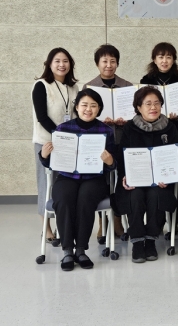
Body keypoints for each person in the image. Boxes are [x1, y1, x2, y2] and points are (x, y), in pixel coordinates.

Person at [39, 89, 116, 271]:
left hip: (94, 179)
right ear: (77, 107)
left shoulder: (106, 131)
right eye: (84, 105)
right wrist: (44, 155)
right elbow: (51, 163)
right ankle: (67, 250)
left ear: (99, 109)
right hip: (67, 177)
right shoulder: (63, 129)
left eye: (93, 106)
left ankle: (80, 250)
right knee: (64, 198)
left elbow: (113, 165)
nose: (88, 109)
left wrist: (110, 161)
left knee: (86, 198)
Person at [114, 86, 178, 263]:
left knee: (156, 195)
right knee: (134, 196)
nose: (153, 107)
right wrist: (125, 177)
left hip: (160, 181)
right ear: (138, 107)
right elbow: (122, 156)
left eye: (157, 103)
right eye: (148, 103)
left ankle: (151, 240)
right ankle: (137, 241)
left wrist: (169, 177)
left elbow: (175, 155)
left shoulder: (169, 127)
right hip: (135, 179)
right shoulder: (129, 127)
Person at [84, 43, 133, 239]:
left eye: (113, 61)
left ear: (117, 63)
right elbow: (83, 116)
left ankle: (118, 220)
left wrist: (126, 120)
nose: (108, 65)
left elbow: (136, 114)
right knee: (101, 182)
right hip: (99, 142)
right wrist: (97, 119)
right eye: (104, 61)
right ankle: (102, 223)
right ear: (97, 63)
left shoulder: (127, 86)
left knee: (121, 181)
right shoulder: (89, 87)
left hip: (122, 139)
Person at [32, 48, 79, 243]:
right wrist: (60, 135)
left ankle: (63, 225)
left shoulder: (74, 87)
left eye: (65, 61)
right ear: (49, 64)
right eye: (57, 61)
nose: (62, 64)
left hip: (69, 143)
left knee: (64, 185)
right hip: (47, 142)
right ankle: (47, 229)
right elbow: (42, 116)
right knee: (46, 183)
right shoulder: (41, 85)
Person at [140, 42, 178, 163]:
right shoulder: (146, 81)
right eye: (161, 57)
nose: (164, 61)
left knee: (176, 163)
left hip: (176, 128)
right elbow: (141, 107)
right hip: (153, 129)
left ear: (173, 60)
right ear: (154, 60)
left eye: (168, 57)